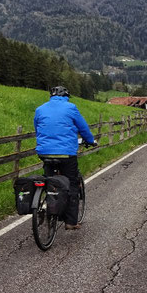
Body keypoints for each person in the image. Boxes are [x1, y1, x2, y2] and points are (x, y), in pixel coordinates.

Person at [34, 86, 95, 230]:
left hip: (45, 152)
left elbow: (38, 129)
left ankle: (49, 210)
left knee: (50, 182)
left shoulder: (40, 109)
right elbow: (83, 128)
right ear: (66, 96)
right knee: (72, 184)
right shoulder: (71, 107)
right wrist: (90, 140)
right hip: (66, 153)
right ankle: (71, 222)